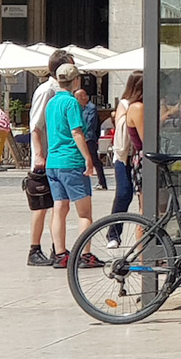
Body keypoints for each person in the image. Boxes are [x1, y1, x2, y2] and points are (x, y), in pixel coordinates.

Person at [43, 64, 102, 269]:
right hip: (71, 160)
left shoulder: (51, 103)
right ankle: (85, 254)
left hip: (53, 161)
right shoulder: (71, 103)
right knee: (84, 212)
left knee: (59, 207)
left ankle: (60, 254)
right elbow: (77, 132)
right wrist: (88, 157)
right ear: (76, 80)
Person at [25, 49, 75, 266]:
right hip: (46, 155)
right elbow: (35, 125)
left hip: (55, 154)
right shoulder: (47, 91)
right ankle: (34, 249)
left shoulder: (60, 91)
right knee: (41, 203)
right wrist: (38, 155)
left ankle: (58, 247)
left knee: (58, 203)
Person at [106, 72, 145, 248]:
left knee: (141, 197)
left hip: (135, 156)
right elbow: (123, 127)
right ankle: (113, 233)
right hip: (124, 156)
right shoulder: (126, 104)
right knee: (123, 193)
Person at [78, 87, 107, 191]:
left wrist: (81, 131)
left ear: (84, 97)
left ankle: (102, 182)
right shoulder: (80, 108)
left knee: (94, 160)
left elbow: (90, 124)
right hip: (83, 137)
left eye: (78, 97)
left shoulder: (91, 108)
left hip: (89, 138)